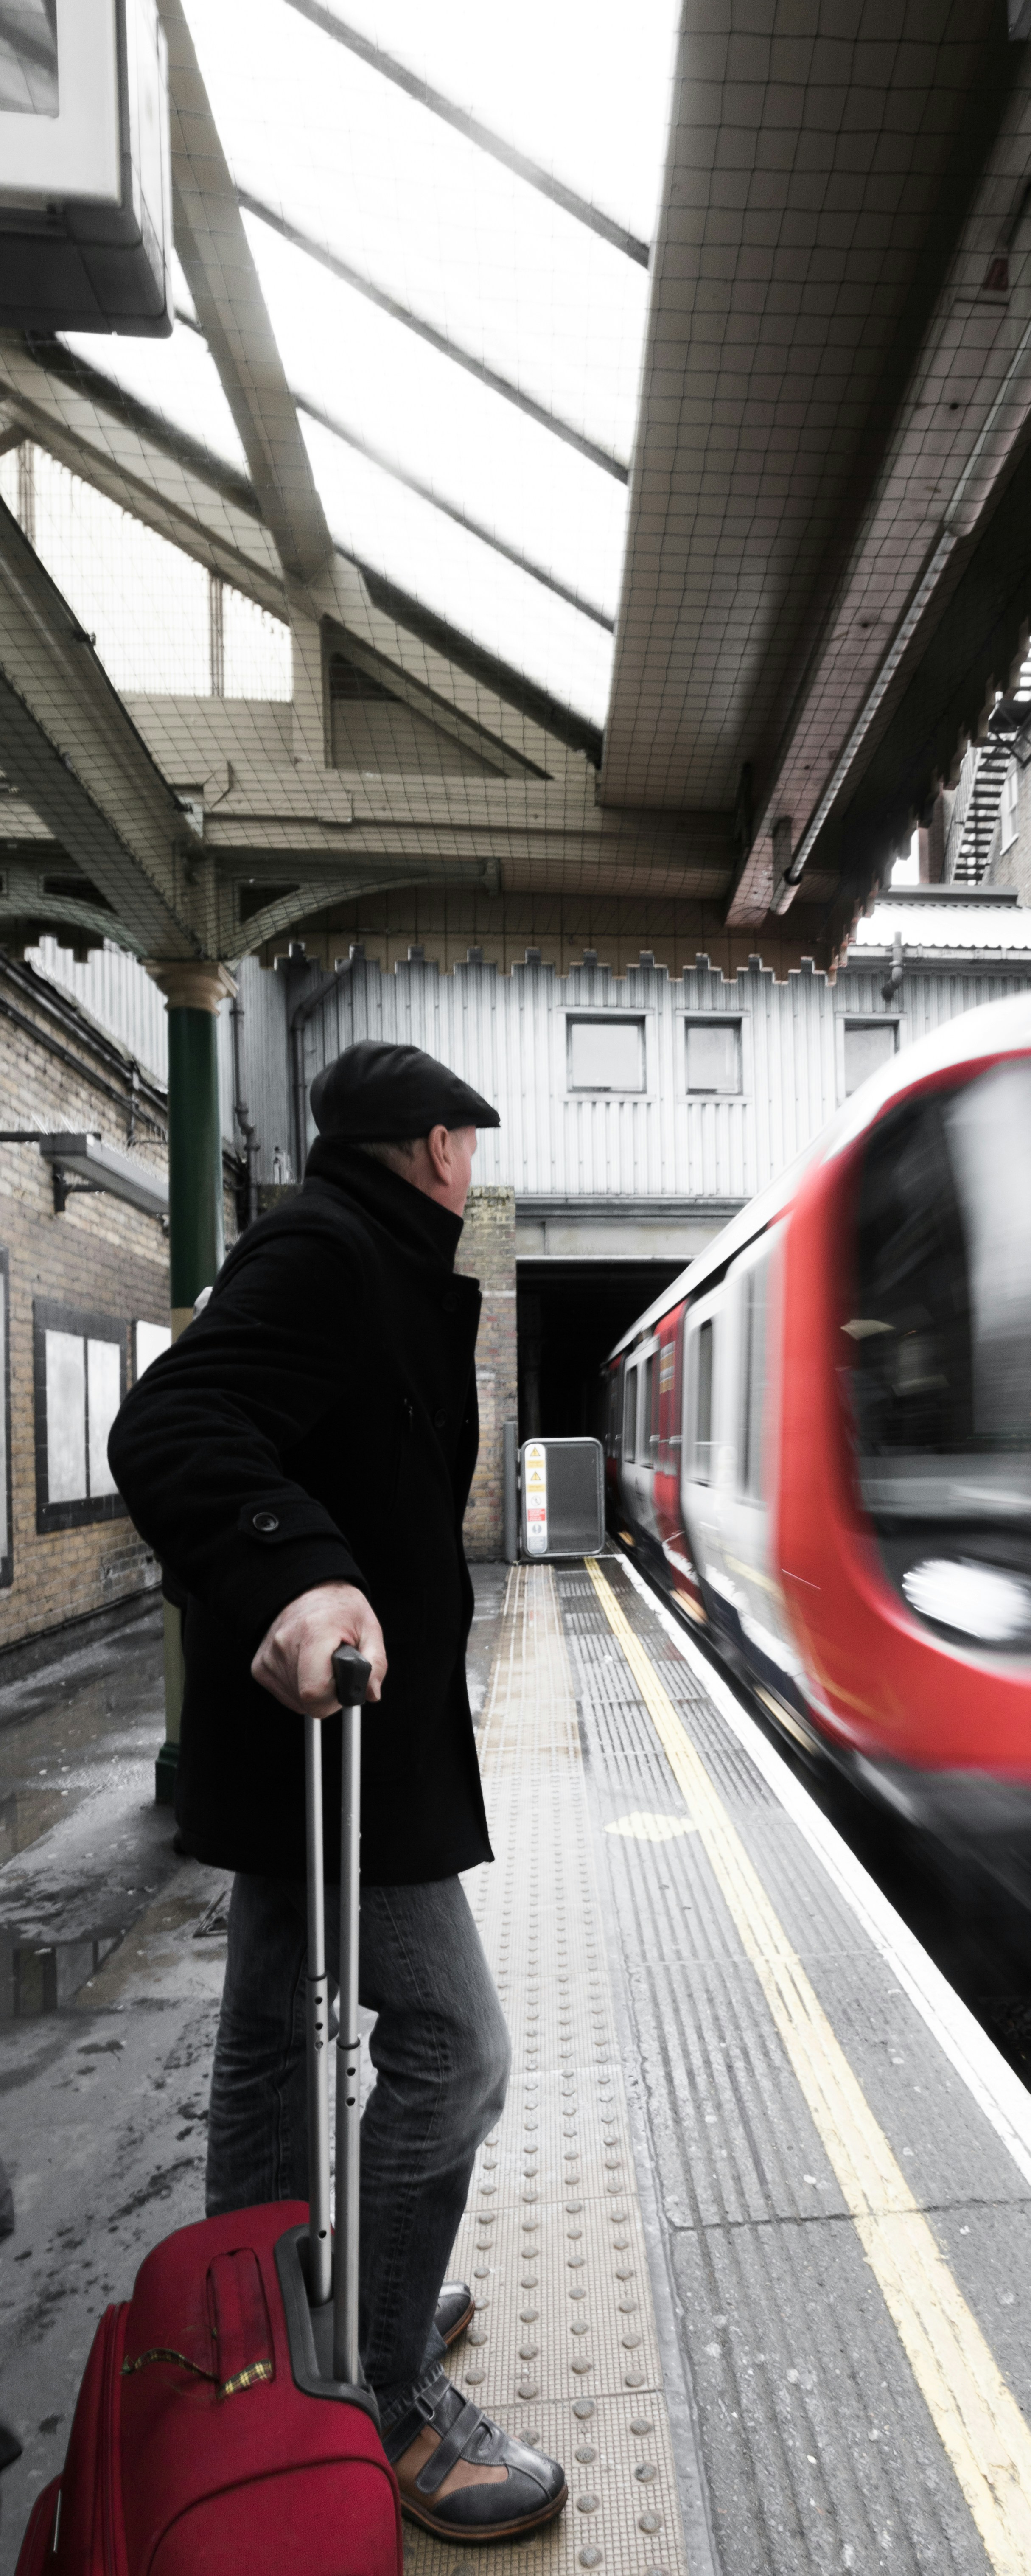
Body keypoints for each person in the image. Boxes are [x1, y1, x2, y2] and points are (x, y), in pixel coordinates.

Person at [109, 1039, 564, 2546]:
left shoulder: (364, 1253)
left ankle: (274, 2349)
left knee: (267, 2049)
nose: (475, 1168)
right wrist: (298, 1569)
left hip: (336, 1748)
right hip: (335, 1752)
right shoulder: (326, 1250)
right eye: (469, 1145)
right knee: (454, 2047)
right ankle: (371, 2388)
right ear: (437, 1149)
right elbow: (173, 1427)